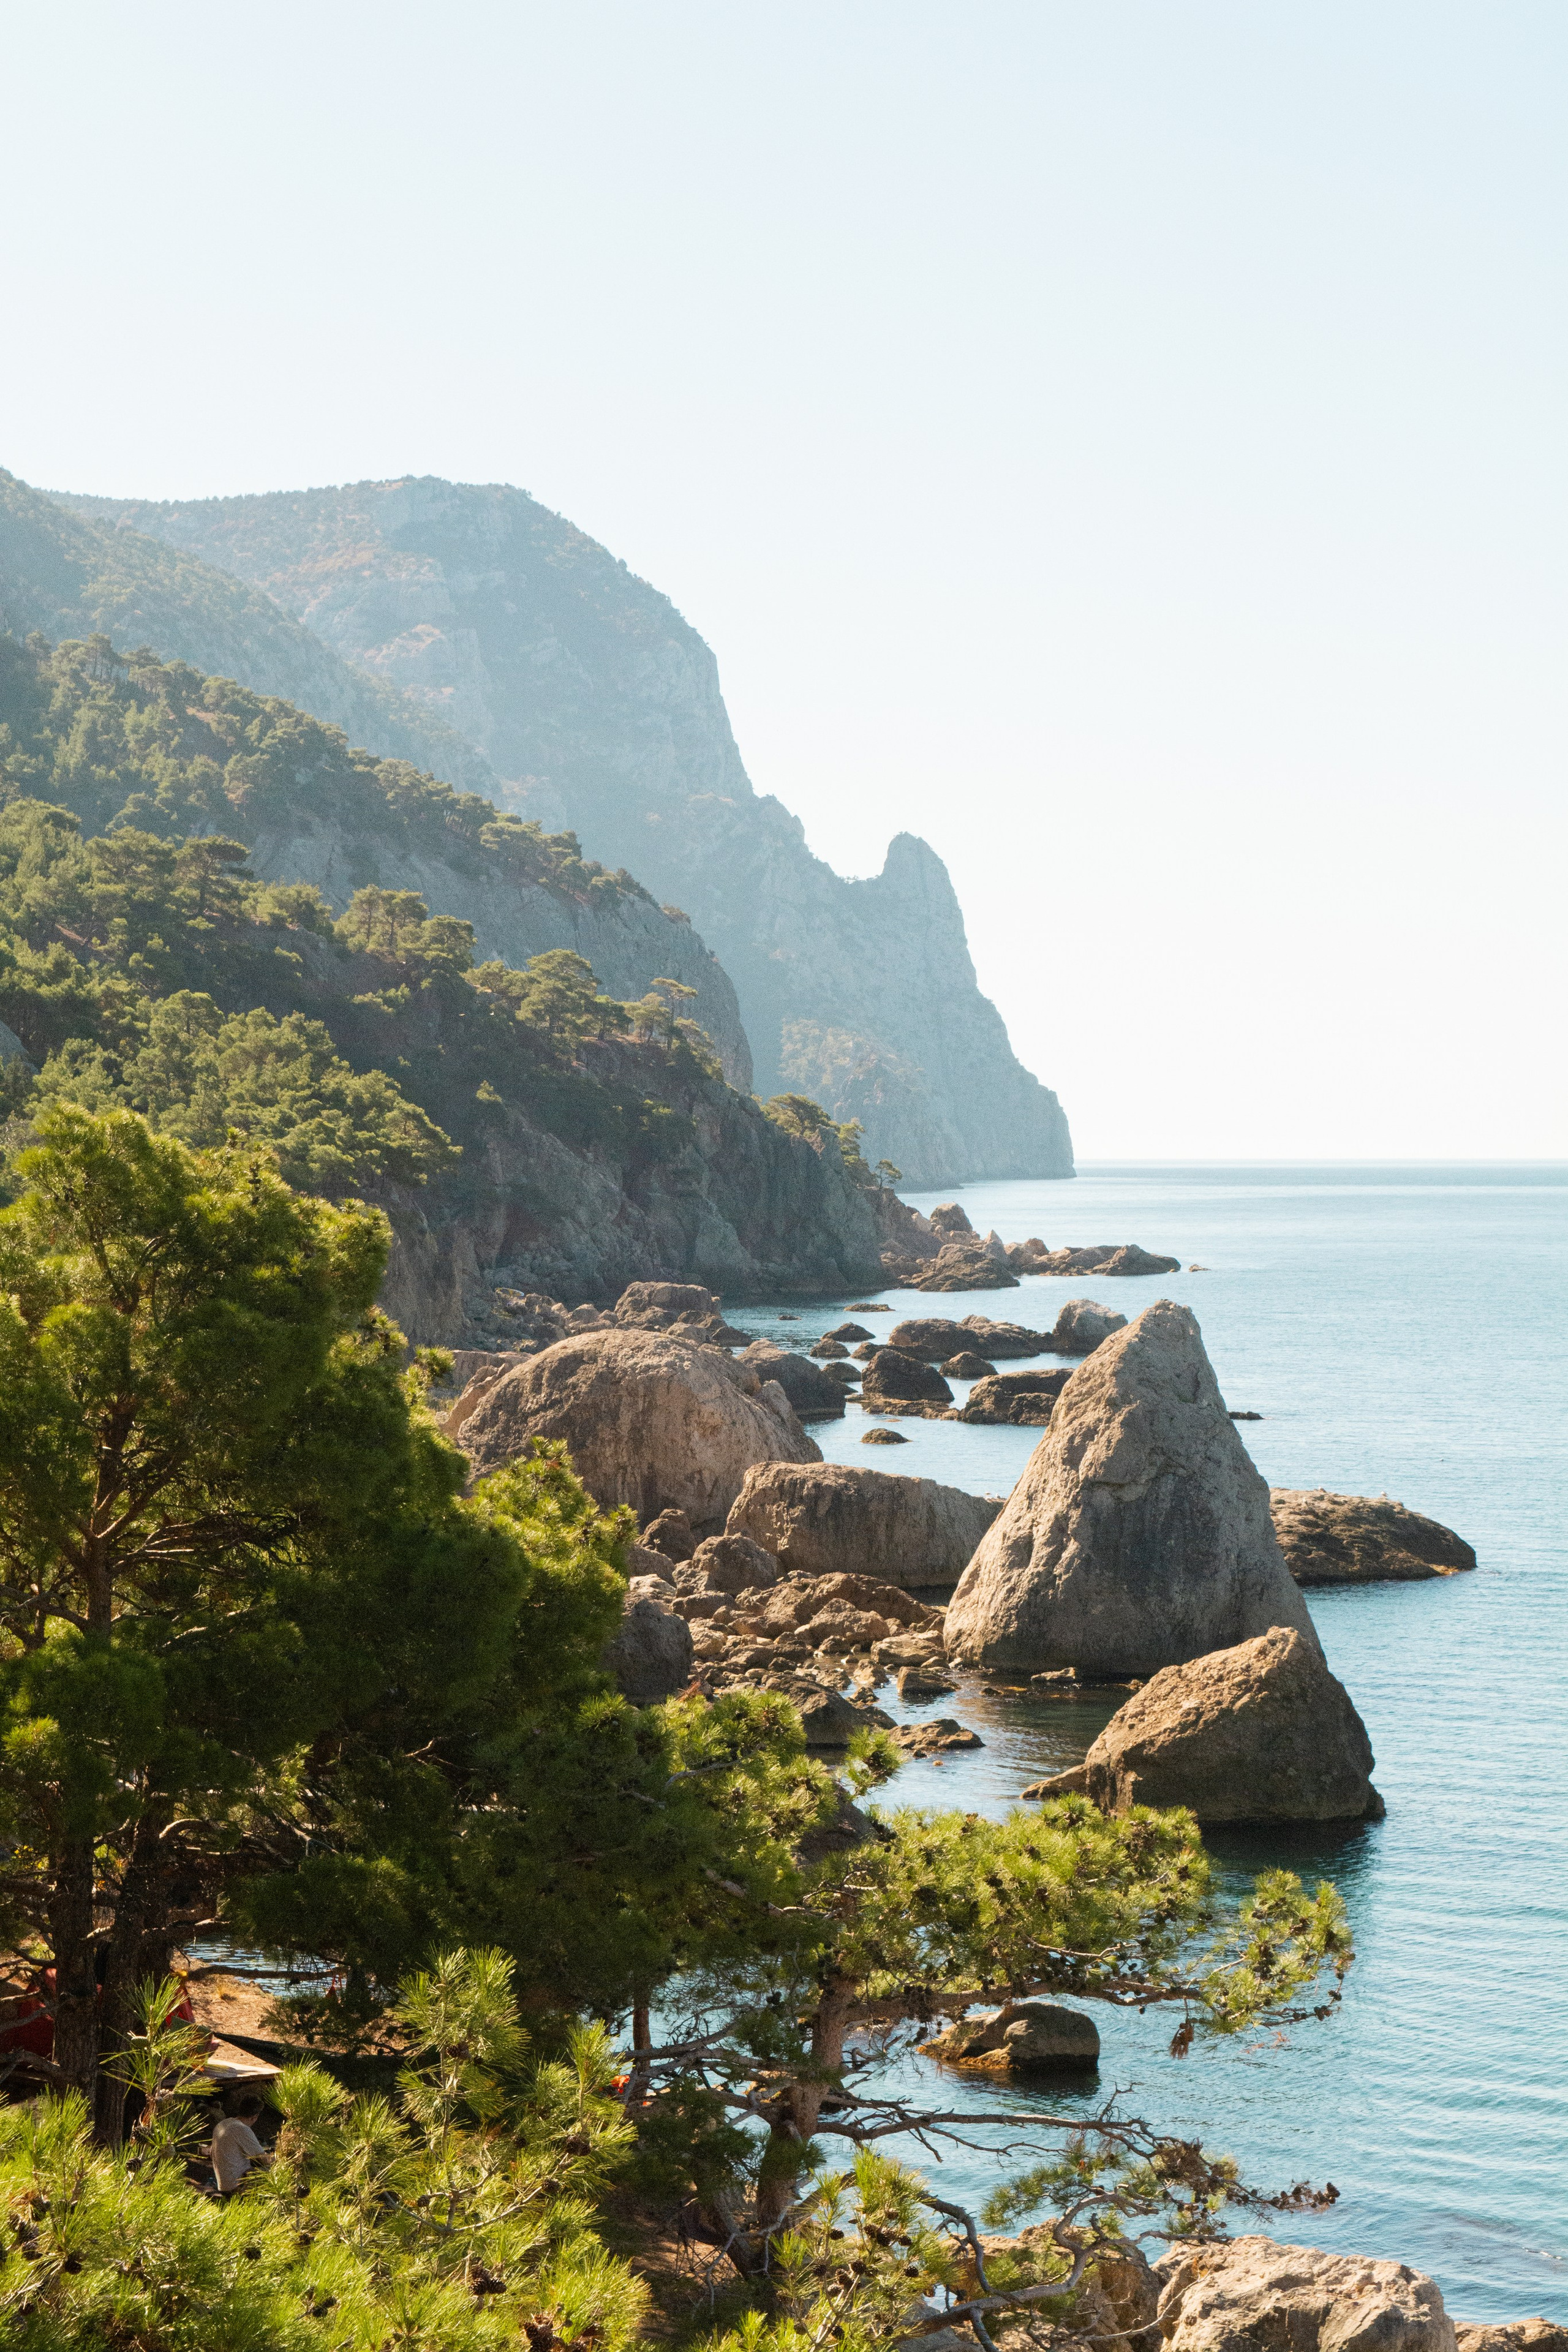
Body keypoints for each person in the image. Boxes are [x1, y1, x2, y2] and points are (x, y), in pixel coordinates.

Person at [211, 2094, 270, 2196]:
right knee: (273, 2170)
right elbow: (265, 2160)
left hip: (223, 2184)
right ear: (255, 2117)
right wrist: (281, 2157)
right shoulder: (242, 2129)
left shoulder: (223, 2124)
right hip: (236, 2186)